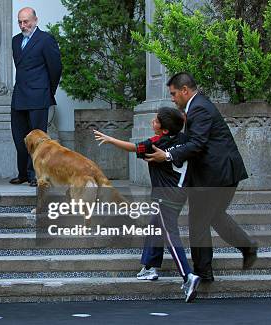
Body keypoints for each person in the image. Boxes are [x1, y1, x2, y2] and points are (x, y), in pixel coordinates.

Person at [145, 72, 258, 282]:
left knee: (198, 222)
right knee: (213, 217)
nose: (172, 98)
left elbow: (197, 144)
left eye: (173, 93)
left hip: (216, 177)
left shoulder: (199, 108)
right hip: (218, 175)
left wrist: (167, 155)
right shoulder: (197, 107)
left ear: (185, 91)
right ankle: (244, 249)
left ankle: (204, 272)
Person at [94, 107, 201, 303]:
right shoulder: (184, 139)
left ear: (164, 130)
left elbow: (133, 148)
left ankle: (188, 277)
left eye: (156, 121)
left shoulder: (155, 144)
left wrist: (110, 140)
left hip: (165, 195)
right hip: (180, 192)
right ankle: (150, 267)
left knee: (169, 233)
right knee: (154, 225)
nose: (153, 122)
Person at [9, 7, 62, 187]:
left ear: (35, 20)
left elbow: (55, 69)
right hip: (19, 96)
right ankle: (23, 173)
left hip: (38, 96)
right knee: (19, 138)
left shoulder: (46, 39)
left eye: (26, 21)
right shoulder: (15, 41)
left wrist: (48, 91)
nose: (23, 25)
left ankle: (35, 175)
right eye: (20, 22)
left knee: (38, 140)